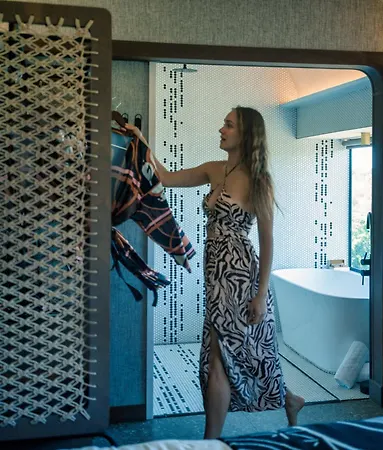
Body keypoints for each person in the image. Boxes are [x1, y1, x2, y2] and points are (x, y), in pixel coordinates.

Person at [124, 106, 305, 439]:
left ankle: (210, 441)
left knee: (223, 354)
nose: (221, 129)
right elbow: (166, 177)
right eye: (223, 123)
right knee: (239, 350)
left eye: (229, 125)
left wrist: (260, 294)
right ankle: (289, 399)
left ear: (246, 134)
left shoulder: (259, 180)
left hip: (239, 274)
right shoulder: (214, 169)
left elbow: (267, 241)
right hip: (215, 273)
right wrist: (140, 140)